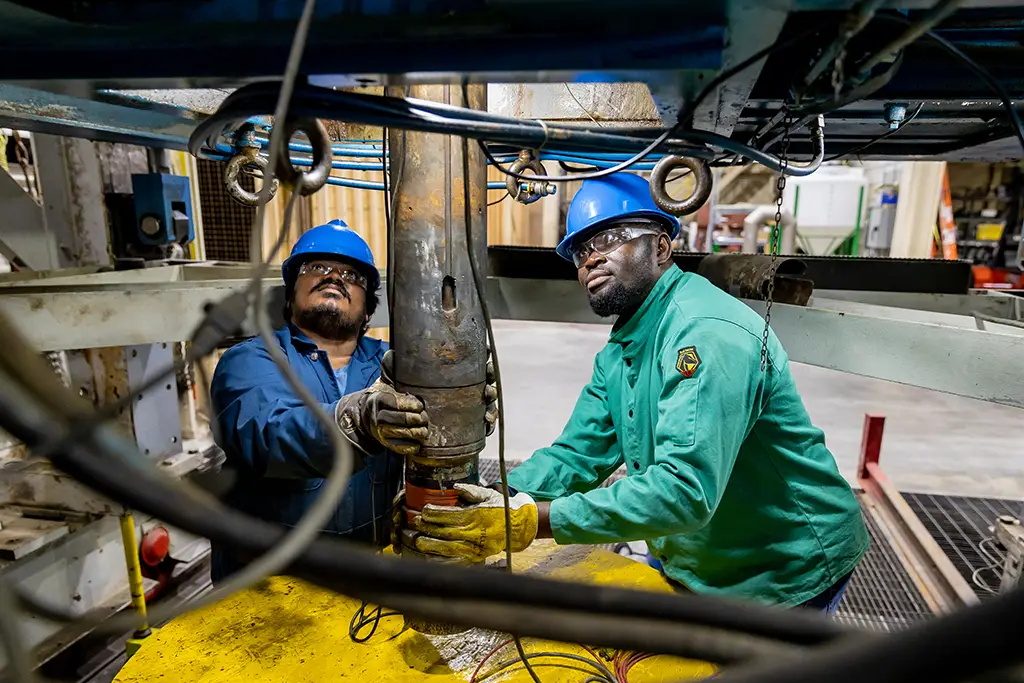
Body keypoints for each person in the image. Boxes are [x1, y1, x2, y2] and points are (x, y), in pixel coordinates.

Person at [402, 173, 870, 612]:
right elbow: (577, 455)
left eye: (610, 238)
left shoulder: (702, 333)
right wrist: (497, 496)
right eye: (582, 249)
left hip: (783, 568)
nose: (591, 258)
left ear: (662, 247)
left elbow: (684, 493)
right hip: (699, 556)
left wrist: (529, 522)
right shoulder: (624, 345)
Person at [209, 220, 431, 582]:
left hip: (365, 578)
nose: (334, 277)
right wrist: (355, 420)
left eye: (351, 274)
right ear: (291, 291)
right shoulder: (250, 360)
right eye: (317, 268)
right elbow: (267, 434)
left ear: (367, 307)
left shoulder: (394, 364)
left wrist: (462, 399)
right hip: (265, 587)